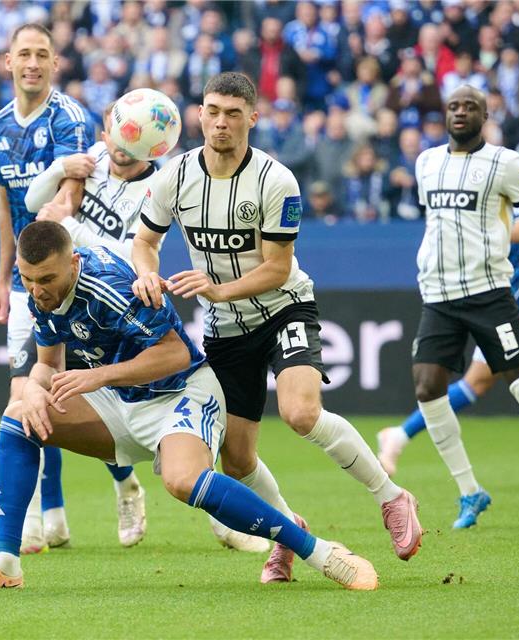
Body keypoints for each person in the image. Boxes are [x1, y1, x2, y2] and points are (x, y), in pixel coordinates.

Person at [0, 222, 376, 592]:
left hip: (180, 393)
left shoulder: (110, 286)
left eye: (46, 280)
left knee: (182, 480)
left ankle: (319, 552)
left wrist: (96, 376)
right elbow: (47, 363)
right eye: (28, 279)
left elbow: (175, 355)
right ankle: (4, 564)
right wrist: (36, 388)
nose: (37, 290)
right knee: (19, 416)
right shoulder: (44, 293)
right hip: (122, 401)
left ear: (72, 263)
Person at [131, 72, 423, 584]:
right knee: (237, 459)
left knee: (301, 412)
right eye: (213, 110)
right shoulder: (172, 177)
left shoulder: (276, 180)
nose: (221, 122)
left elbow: (278, 267)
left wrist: (218, 289)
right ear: (199, 113)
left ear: (252, 119)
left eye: (233, 114)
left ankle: (391, 497)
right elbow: (144, 241)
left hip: (284, 308)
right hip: (226, 331)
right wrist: (146, 273)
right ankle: (287, 530)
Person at [24, 102, 266, 553]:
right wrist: (61, 170)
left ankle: (221, 511)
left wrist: (69, 225)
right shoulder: (89, 163)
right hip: (72, 298)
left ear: (151, 142)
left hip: (118, 304)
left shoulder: (160, 184)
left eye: (130, 136)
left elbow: (126, 253)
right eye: (115, 133)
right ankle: (120, 490)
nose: (119, 144)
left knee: (151, 406)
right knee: (66, 401)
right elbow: (34, 205)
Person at [409, 86, 519, 530]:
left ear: (485, 116)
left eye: (469, 107)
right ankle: (470, 491)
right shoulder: (426, 162)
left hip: (489, 292)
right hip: (438, 294)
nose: (460, 113)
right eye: (453, 106)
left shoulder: (506, 163)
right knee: (427, 386)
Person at [0, 23, 99, 554]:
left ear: (55, 63)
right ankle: (40, 518)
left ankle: (121, 486)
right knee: (25, 394)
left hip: (71, 279)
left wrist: (56, 201)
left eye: (42, 55)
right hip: (23, 281)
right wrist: (3, 276)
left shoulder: (71, 118)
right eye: (24, 54)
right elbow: (9, 209)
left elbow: (71, 198)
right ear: (7, 61)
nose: (32, 62)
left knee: (63, 392)